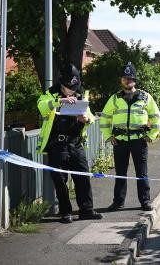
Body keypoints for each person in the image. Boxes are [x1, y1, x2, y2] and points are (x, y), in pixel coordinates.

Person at [37, 64, 103, 223]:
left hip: (76, 143)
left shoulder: (81, 94)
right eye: (68, 88)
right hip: (57, 144)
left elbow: (90, 116)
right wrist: (60, 101)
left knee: (82, 177)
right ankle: (65, 212)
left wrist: (86, 119)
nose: (72, 91)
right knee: (60, 179)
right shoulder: (50, 94)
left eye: (74, 88)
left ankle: (86, 210)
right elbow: (42, 107)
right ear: (61, 83)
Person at [100, 62, 160, 212]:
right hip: (120, 141)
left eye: (130, 78)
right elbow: (105, 119)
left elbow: (156, 116)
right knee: (120, 173)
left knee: (142, 173)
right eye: (125, 78)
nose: (128, 81)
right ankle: (118, 202)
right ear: (121, 80)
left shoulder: (145, 97)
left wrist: (151, 135)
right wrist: (108, 136)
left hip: (139, 140)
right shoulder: (114, 98)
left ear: (135, 80)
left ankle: (145, 201)